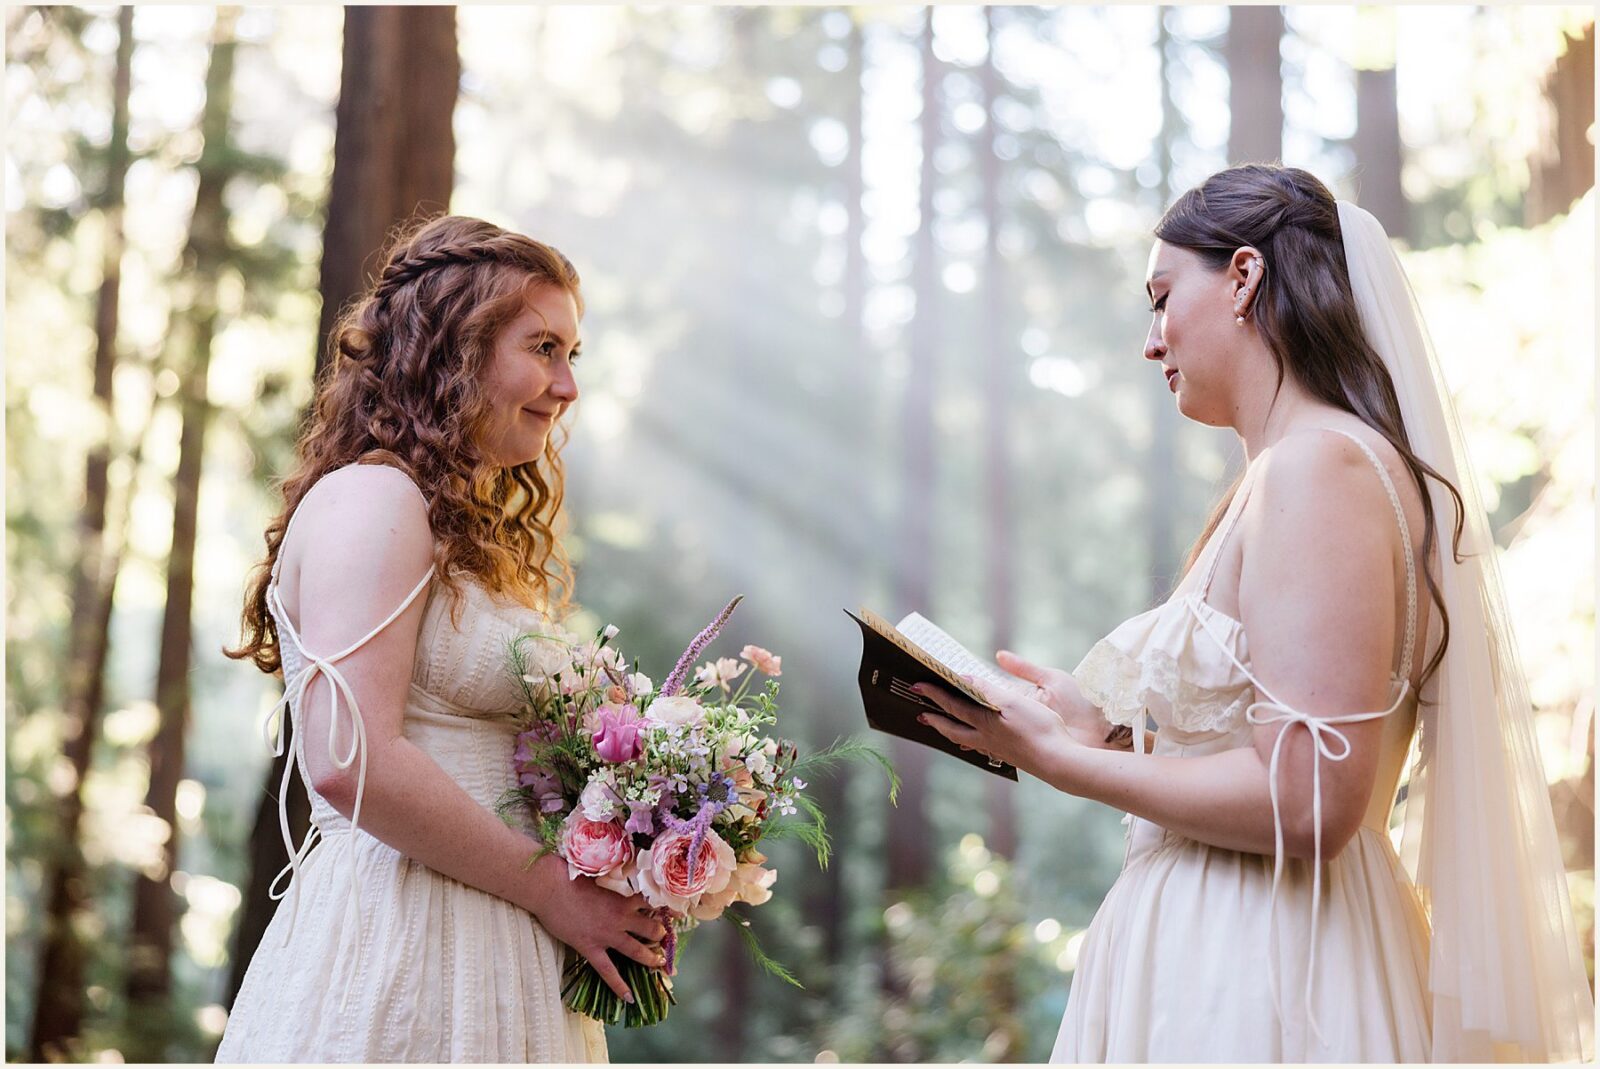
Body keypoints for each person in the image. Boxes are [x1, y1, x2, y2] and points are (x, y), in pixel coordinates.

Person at [916, 165, 1594, 1062]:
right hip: (1223, 948)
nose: (1151, 343)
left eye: (1162, 299)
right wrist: (1106, 735)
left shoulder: (1322, 468)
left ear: (1243, 276)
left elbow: (1313, 796)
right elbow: (1272, 739)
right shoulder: (1289, 473)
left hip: (1264, 973)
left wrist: (1061, 765)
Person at [216, 216, 664, 1062]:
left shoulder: (459, 529)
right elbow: (349, 758)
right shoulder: (374, 501)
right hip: (404, 945)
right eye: (544, 347)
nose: (566, 386)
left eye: (573, 354)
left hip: (499, 955)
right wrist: (553, 890)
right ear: (457, 346)